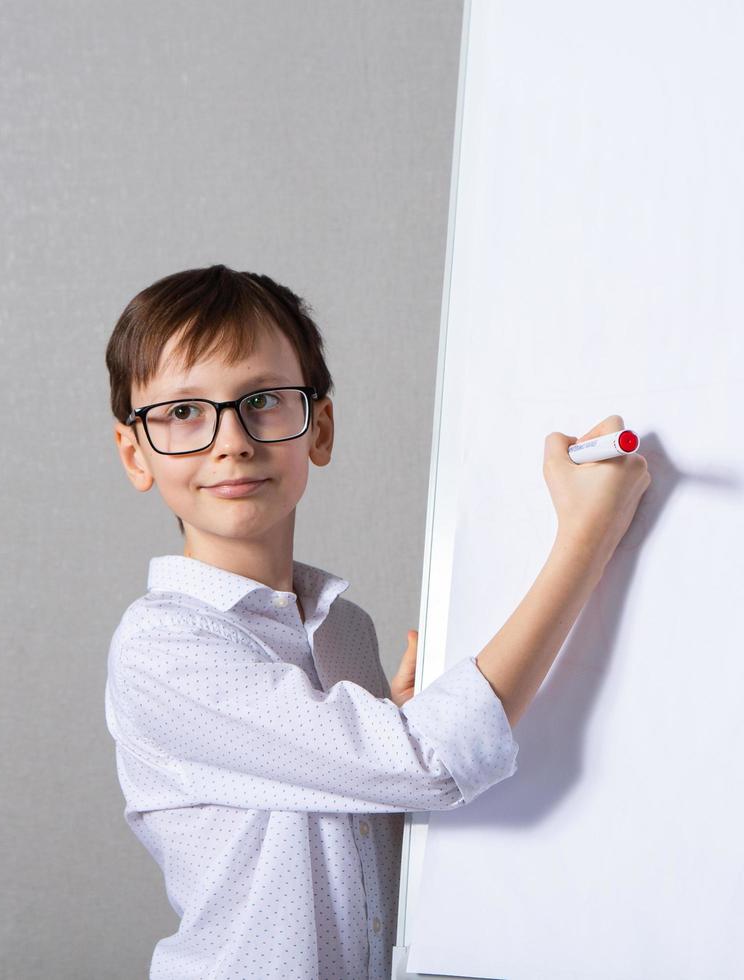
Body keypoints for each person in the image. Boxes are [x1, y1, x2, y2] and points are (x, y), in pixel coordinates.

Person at [103, 264, 649, 979]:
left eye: (262, 400)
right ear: (134, 453)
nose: (230, 440)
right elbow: (430, 761)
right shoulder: (161, 650)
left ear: (319, 428)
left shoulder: (344, 630)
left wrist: (385, 724)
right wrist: (588, 536)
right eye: (182, 413)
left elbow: (353, 786)